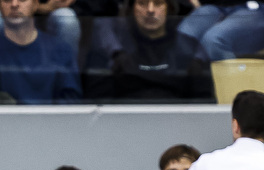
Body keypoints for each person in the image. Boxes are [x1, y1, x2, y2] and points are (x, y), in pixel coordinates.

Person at [85, 0, 214, 103]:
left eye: (158, 3)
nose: (150, 10)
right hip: (124, 120)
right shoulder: (115, 50)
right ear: (132, 9)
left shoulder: (188, 47)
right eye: (142, 3)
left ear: (169, 9)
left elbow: (202, 100)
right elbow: (99, 100)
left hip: (177, 121)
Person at [0, 0, 81, 105]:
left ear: (35, 4)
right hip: (4, 120)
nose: (14, 4)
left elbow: (70, 102)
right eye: (7, 0)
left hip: (49, 120)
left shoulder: (61, 50)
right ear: (0, 5)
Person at [174, 0, 264, 63]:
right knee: (184, 35)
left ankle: (232, 87)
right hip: (213, 6)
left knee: (214, 39)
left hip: (256, 7)